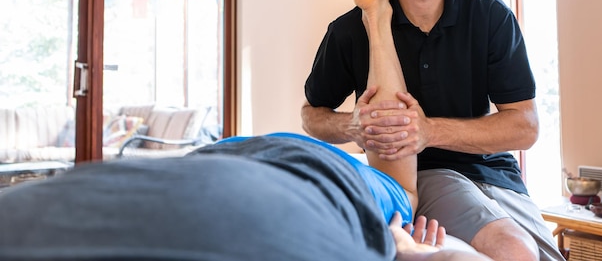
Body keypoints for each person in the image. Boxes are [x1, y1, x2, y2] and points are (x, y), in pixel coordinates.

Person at [301, 0, 564, 261]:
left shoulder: (489, 16)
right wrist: (349, 125)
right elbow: (312, 116)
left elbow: (525, 127)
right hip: (419, 176)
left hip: (496, 176)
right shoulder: (348, 31)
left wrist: (428, 130)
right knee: (516, 252)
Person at [0, 133, 490, 261]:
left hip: (226, 161)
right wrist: (407, 249)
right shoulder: (389, 197)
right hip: (274, 168)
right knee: (401, 183)